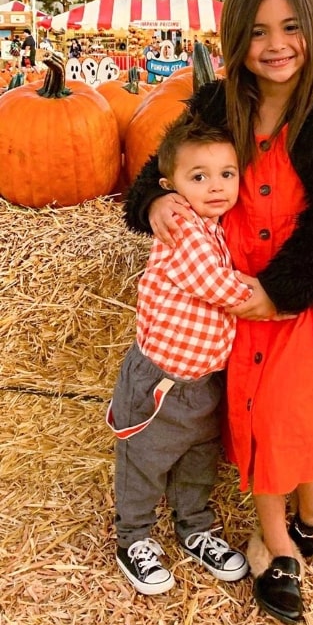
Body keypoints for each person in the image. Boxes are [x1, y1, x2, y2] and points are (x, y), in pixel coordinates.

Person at [124, 0, 313, 625]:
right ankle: (279, 545)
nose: (275, 45)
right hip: (234, 292)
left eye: (288, 28)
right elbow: (158, 171)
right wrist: (157, 200)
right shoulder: (217, 105)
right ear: (233, 40)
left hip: (300, 295)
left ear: (310, 27)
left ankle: (310, 501)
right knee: (257, 412)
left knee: (283, 409)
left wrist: (280, 295)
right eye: (256, 33)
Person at [107, 111, 252, 595]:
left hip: (203, 380)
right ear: (170, 188)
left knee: (197, 459)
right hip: (161, 381)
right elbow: (209, 284)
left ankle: (196, 528)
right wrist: (265, 299)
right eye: (199, 177)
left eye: (227, 174)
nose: (216, 186)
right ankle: (134, 536)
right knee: (145, 458)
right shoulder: (184, 227)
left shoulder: (216, 225)